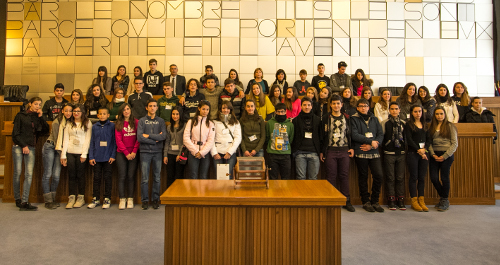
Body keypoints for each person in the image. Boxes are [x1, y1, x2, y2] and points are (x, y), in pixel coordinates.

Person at [12, 97, 49, 211]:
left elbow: (45, 130)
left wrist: (41, 117)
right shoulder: (21, 115)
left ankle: (24, 201)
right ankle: (17, 199)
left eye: (39, 104)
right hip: (19, 146)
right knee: (18, 172)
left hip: (31, 147)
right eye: (36, 104)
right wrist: (24, 146)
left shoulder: (37, 117)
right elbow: (15, 134)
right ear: (30, 104)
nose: (38, 106)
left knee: (29, 174)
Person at [321, 95, 355, 212]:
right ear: (330, 105)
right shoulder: (326, 118)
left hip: (344, 149)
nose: (336, 105)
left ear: (341, 105)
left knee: (344, 176)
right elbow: (323, 136)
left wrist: (351, 148)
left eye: (338, 103)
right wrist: (322, 151)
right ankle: (331, 200)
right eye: (334, 103)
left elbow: (350, 134)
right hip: (331, 150)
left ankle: (347, 200)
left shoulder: (347, 118)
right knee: (331, 176)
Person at [350, 99, 384, 213]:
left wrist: (374, 145)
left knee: (379, 175)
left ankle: (375, 201)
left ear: (369, 107)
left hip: (374, 151)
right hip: (361, 151)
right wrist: (370, 142)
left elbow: (380, 134)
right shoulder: (353, 118)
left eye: (365, 106)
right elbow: (354, 135)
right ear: (357, 108)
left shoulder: (374, 119)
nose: (363, 108)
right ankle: (365, 201)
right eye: (361, 106)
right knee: (363, 177)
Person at [61, 104, 92, 209]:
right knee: (72, 176)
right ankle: (71, 197)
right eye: (74, 111)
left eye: (78, 111)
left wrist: (84, 154)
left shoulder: (87, 123)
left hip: (81, 153)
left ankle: (81, 198)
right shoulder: (69, 124)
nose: (76, 113)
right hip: (70, 152)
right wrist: (63, 155)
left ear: (82, 112)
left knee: (80, 176)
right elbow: (65, 140)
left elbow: (88, 139)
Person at [137, 98, 167, 210]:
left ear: (157, 108)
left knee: (157, 178)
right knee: (144, 178)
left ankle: (155, 199)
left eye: (154, 106)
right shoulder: (142, 121)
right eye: (150, 106)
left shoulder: (161, 121)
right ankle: (145, 200)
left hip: (157, 153)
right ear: (146, 107)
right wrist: (155, 140)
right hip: (145, 152)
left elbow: (163, 136)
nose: (152, 108)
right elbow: (140, 137)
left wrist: (148, 136)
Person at [43, 103, 73, 210]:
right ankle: (48, 200)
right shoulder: (57, 122)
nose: (68, 113)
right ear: (62, 111)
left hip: (60, 149)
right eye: (66, 111)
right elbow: (57, 140)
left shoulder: (71, 122)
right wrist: (62, 156)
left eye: (70, 111)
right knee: (48, 174)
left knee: (56, 175)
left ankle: (53, 198)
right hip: (51, 146)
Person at [428, 107, 458, 211]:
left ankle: (444, 200)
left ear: (444, 114)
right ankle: (444, 197)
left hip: (447, 155)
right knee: (434, 178)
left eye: (441, 114)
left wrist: (444, 156)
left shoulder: (450, 126)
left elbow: (454, 144)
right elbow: (429, 143)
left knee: (444, 178)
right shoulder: (432, 127)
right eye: (437, 114)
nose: (439, 116)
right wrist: (433, 155)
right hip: (434, 155)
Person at [88, 107, 116, 209]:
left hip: (108, 157)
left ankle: (107, 198)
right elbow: (92, 142)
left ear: (108, 115)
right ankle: (95, 198)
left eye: (104, 114)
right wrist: (91, 156)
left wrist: (113, 155)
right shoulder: (95, 127)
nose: (102, 115)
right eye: (100, 114)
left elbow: (114, 142)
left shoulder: (112, 126)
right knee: (96, 178)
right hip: (97, 157)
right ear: (98, 115)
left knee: (108, 178)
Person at [381, 102, 407, 211]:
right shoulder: (384, 123)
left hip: (401, 153)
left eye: (396, 109)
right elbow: (381, 137)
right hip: (389, 153)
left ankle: (400, 200)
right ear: (389, 110)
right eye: (392, 109)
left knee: (400, 177)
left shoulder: (403, 123)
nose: (394, 111)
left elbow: (406, 138)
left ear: (399, 110)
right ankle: (391, 199)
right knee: (390, 177)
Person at [405, 104, 430, 212]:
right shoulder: (408, 124)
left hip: (424, 153)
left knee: (422, 177)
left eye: (419, 111)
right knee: (413, 176)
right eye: (415, 111)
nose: (418, 113)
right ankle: (414, 201)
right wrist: (418, 150)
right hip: (413, 153)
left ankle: (421, 200)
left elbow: (429, 140)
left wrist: (424, 150)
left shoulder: (426, 124)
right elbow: (409, 140)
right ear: (411, 113)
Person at [115, 103, 140, 210]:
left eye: (128, 109)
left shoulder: (137, 122)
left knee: (131, 176)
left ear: (131, 110)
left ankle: (130, 198)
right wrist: (126, 153)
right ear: (121, 112)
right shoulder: (119, 123)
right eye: (124, 110)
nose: (126, 111)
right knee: (122, 176)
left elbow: (139, 138)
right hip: (121, 153)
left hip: (134, 153)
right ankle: (122, 199)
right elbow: (118, 140)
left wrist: (134, 152)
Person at [183, 100, 215, 179]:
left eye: (207, 109)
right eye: (203, 109)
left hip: (205, 153)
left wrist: (202, 152)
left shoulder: (210, 123)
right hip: (193, 152)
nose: (205, 111)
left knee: (203, 176)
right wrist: (195, 151)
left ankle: (202, 192)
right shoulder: (191, 122)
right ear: (199, 109)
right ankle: (194, 192)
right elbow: (186, 138)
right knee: (193, 175)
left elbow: (210, 140)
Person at [292, 97, 321, 180]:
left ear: (312, 106)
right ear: (301, 106)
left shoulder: (318, 120)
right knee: (301, 178)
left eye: (308, 105)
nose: (306, 107)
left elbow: (320, 136)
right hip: (300, 153)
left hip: (314, 153)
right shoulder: (296, 120)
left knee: (313, 178)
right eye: (304, 105)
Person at [211, 101, 242, 179]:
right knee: (219, 175)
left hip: (230, 152)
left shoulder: (236, 122)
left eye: (228, 108)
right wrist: (214, 153)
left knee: (228, 175)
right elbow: (211, 138)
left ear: (231, 109)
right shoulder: (214, 122)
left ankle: (230, 191)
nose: (225, 110)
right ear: (220, 109)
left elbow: (238, 138)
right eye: (223, 108)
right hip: (217, 152)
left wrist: (230, 152)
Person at [266, 103, 294, 180]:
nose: (280, 113)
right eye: (278, 111)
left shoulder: (290, 124)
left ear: (285, 112)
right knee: (272, 178)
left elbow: (290, 138)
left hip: (285, 154)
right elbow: (267, 136)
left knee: (286, 178)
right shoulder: (269, 123)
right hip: (272, 154)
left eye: (282, 111)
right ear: (275, 112)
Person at [163, 107, 186, 188]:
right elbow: (167, 141)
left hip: (180, 155)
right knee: (170, 176)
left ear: (180, 115)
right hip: (170, 153)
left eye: (177, 114)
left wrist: (179, 154)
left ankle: (178, 197)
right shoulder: (169, 127)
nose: (175, 116)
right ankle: (169, 197)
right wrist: (165, 155)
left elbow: (184, 142)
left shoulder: (185, 126)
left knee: (179, 177)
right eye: (173, 114)